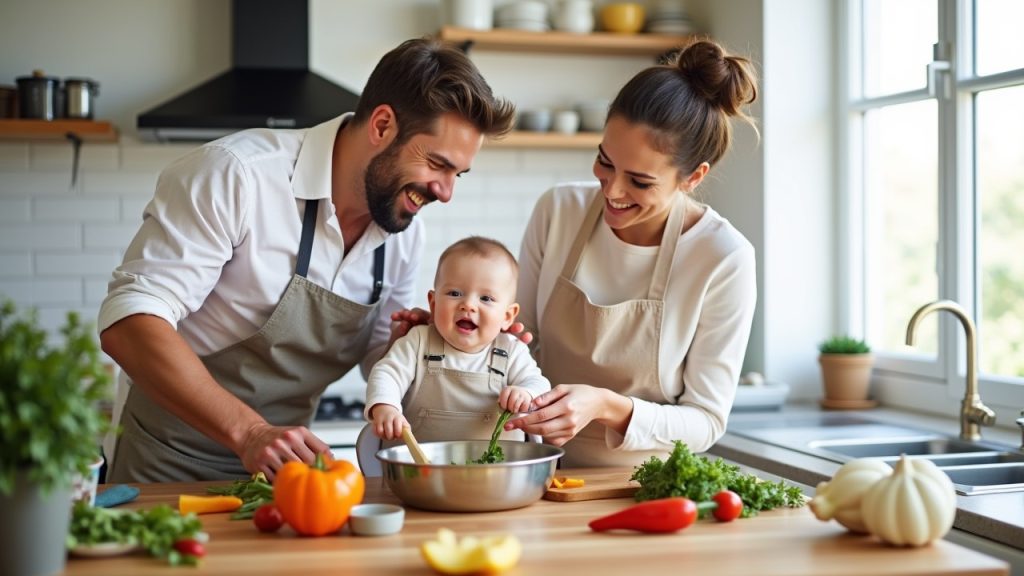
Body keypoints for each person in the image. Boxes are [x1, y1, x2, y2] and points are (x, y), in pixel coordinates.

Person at [97, 38, 515, 482]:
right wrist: (250, 432)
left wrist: (446, 345)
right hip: (165, 463)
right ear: (382, 125)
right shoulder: (236, 176)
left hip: (285, 476)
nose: (446, 192)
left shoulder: (402, 232)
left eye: (458, 175)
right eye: (437, 164)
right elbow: (128, 321)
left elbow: (380, 359)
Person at [505, 40, 759, 467]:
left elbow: (706, 422)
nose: (614, 190)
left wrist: (606, 406)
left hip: (644, 487)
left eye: (640, 182)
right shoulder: (559, 210)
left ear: (692, 177)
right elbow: (513, 343)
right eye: (605, 162)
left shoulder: (723, 257)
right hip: (537, 472)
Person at [365, 237, 550, 444]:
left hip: (497, 472)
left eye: (486, 298)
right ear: (433, 304)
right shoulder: (418, 341)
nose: (468, 305)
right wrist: (386, 406)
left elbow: (539, 383)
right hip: (418, 472)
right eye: (455, 293)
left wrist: (526, 392)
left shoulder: (512, 351)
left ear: (507, 316)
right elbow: (387, 373)